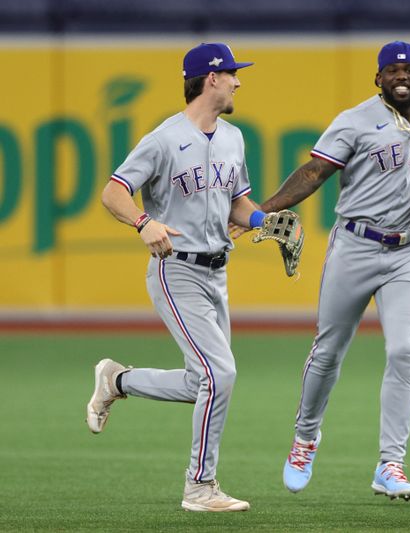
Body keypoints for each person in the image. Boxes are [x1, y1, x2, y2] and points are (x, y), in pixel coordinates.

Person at [249, 41, 410, 501]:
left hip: (407, 252)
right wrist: (261, 213)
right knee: (328, 351)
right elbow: (313, 174)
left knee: (405, 351)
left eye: (409, 68)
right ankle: (305, 438)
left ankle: (391, 463)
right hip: (355, 246)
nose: (401, 75)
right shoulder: (355, 119)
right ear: (378, 78)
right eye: (392, 70)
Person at [86, 42, 274, 512]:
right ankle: (200, 487)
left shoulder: (234, 137)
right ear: (211, 78)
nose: (238, 81)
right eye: (232, 73)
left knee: (203, 382)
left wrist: (262, 222)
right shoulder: (163, 139)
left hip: (217, 273)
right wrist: (143, 222)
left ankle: (118, 381)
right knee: (221, 374)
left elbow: (239, 203)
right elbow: (114, 192)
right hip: (177, 270)